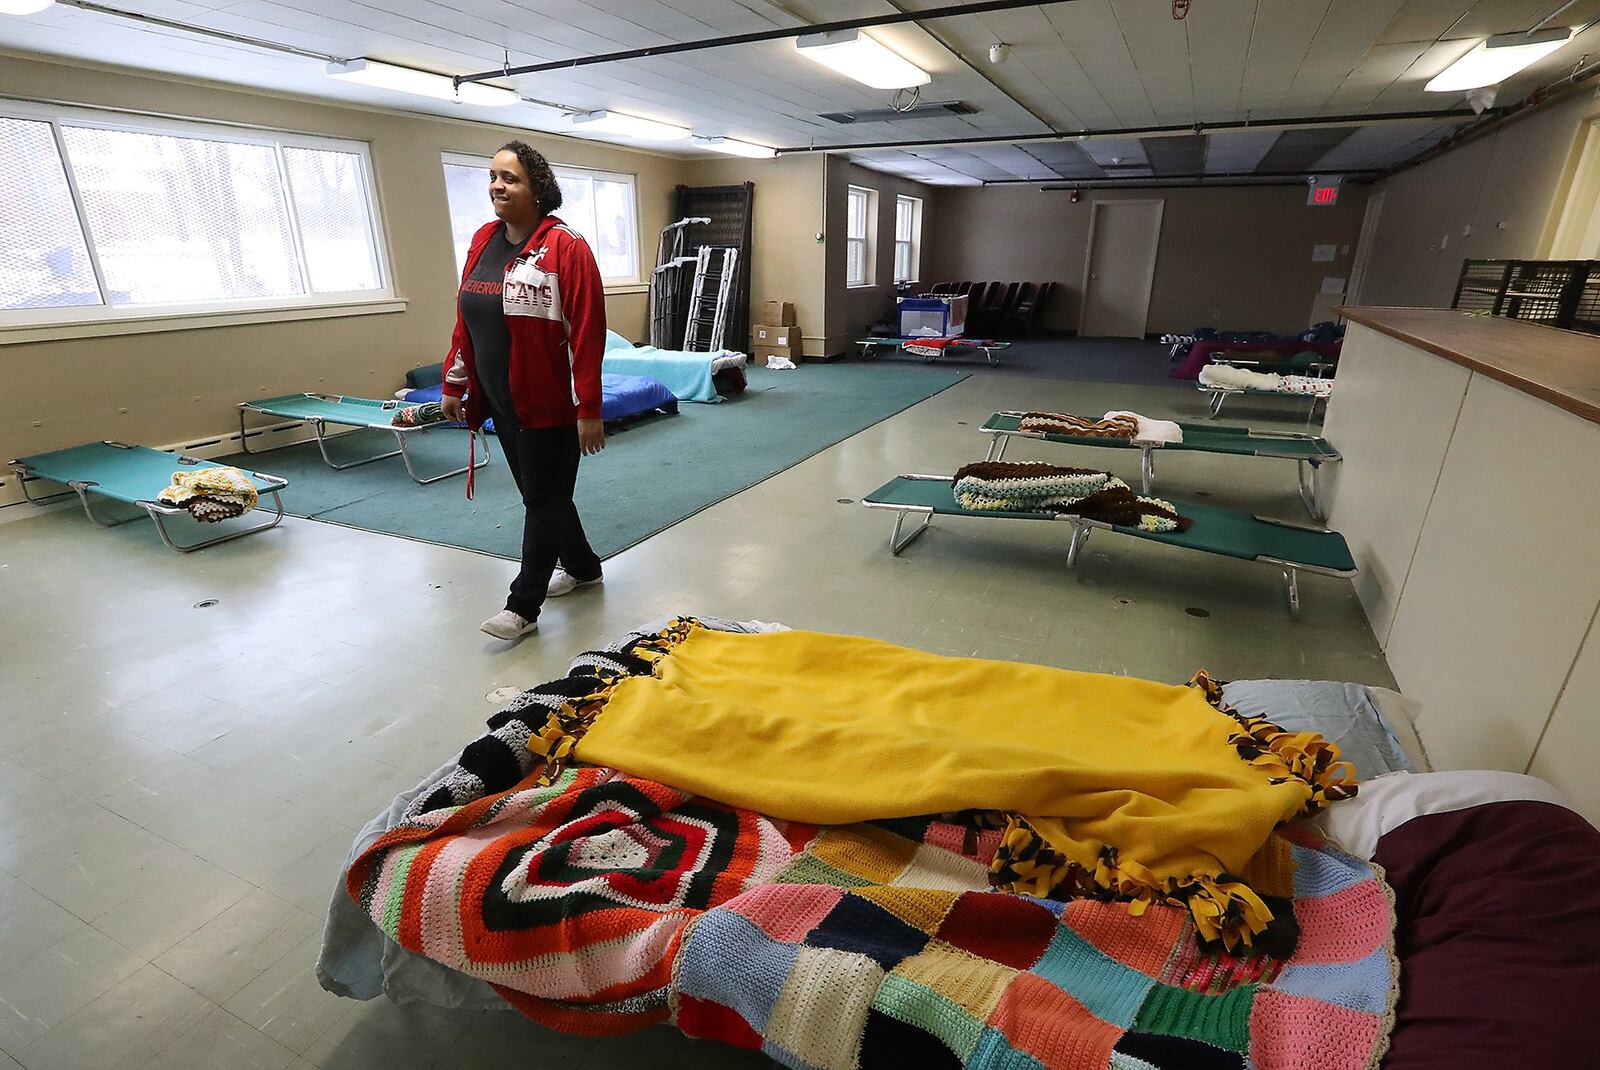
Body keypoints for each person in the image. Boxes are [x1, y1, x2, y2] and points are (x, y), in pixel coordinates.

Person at [441, 140, 606, 642]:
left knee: (543, 499)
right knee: (545, 493)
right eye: (493, 176)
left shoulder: (565, 248)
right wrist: (456, 380)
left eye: (510, 178)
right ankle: (582, 565)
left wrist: (589, 409)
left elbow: (586, 331)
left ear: (538, 189)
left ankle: (523, 606)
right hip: (501, 399)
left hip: (550, 404)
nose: (497, 186)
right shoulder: (483, 240)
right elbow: (468, 319)